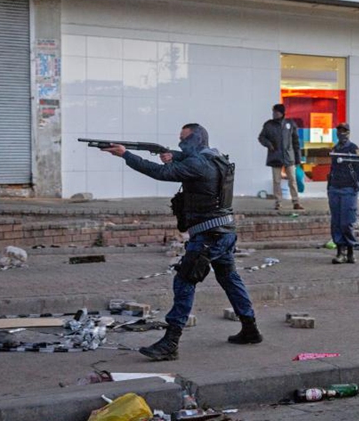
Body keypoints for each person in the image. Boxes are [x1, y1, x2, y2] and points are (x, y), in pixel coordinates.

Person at [100, 123, 262, 361]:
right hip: (224, 232)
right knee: (229, 277)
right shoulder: (217, 158)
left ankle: (171, 342)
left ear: (196, 140)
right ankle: (250, 329)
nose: (180, 144)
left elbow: (160, 173)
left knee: (185, 280)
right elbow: (186, 160)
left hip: (209, 235)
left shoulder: (197, 164)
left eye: (184, 140)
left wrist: (127, 155)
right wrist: (173, 156)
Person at [326, 123, 359, 264]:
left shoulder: (353, 149)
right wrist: (329, 188)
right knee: (336, 222)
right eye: (339, 131)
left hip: (349, 190)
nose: (341, 133)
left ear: (348, 132)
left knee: (347, 222)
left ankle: (350, 251)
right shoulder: (335, 149)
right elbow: (332, 169)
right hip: (335, 189)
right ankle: (340, 252)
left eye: (344, 131)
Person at [258, 103, 304, 211]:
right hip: (275, 156)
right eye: (273, 112)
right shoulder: (268, 125)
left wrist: (298, 158)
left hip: (289, 156)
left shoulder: (290, 124)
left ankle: (296, 201)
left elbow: (296, 142)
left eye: (276, 112)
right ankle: (278, 202)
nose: (274, 114)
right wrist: (269, 145)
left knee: (292, 180)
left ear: (282, 113)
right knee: (277, 181)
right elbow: (261, 137)